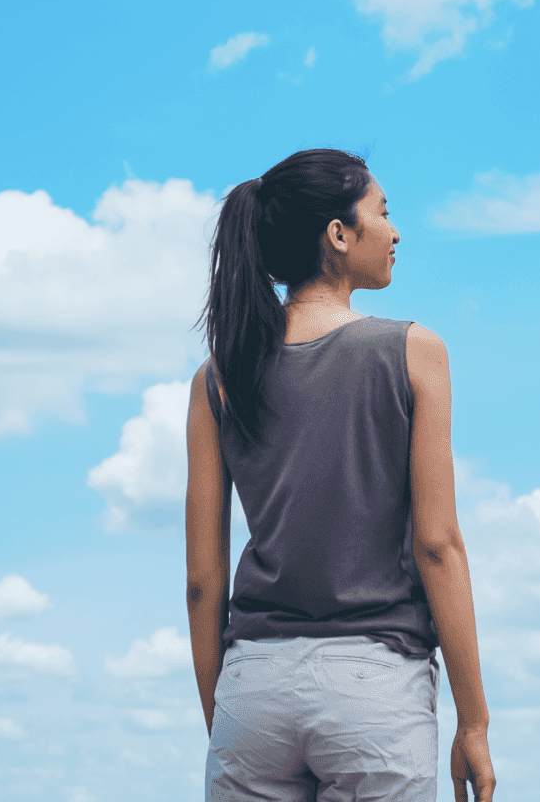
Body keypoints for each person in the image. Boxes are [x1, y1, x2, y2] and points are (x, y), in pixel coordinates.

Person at [185, 148, 496, 802]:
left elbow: (201, 579)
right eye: (383, 212)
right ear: (338, 234)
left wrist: (227, 718)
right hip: (374, 689)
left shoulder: (217, 378)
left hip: (252, 688)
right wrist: (474, 721)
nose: (395, 231)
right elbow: (437, 545)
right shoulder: (414, 352)